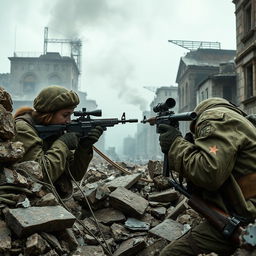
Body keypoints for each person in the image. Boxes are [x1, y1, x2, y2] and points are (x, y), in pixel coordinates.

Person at [158, 97, 256, 256]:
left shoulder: (215, 118)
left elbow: (208, 172)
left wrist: (175, 144)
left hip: (245, 220)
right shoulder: (239, 121)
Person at [13, 85, 103, 198]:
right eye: (65, 115)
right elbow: (40, 176)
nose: (68, 121)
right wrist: (62, 144)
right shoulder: (23, 129)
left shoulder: (55, 130)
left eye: (70, 115)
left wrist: (84, 147)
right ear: (49, 114)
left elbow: (74, 174)